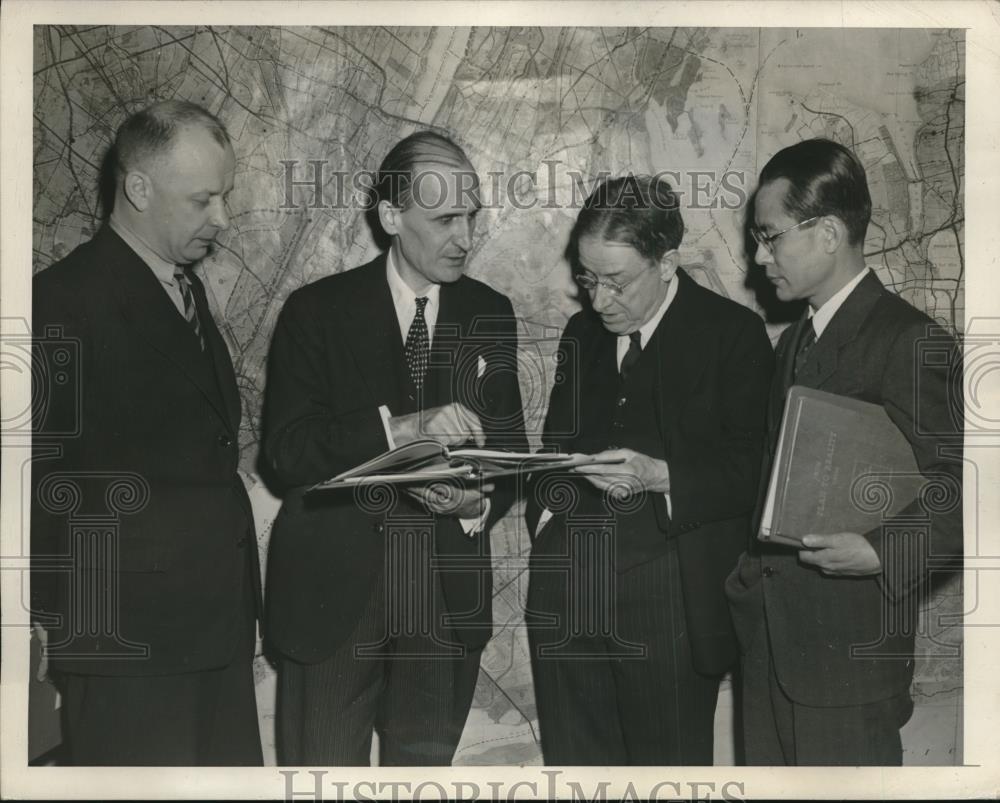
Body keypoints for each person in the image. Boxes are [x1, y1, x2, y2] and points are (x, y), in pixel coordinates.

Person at [262, 131, 528, 766]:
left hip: (442, 600)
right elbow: (288, 453)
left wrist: (474, 499)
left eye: (471, 216)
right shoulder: (315, 311)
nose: (465, 237)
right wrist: (401, 429)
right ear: (390, 217)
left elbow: (511, 452)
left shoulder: (490, 312)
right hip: (333, 600)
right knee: (322, 777)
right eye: (444, 220)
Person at [31, 100, 262, 765]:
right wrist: (55, 622)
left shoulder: (180, 288)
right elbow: (38, 479)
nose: (221, 219)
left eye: (224, 197)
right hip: (127, 650)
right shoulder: (61, 302)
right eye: (202, 200)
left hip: (211, 633)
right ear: (137, 188)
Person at [725, 138, 964, 766]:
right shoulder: (792, 343)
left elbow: (967, 488)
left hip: (848, 665)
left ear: (828, 233)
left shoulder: (909, 340)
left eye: (770, 236)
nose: (759, 256)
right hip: (772, 650)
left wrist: (880, 551)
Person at [525, 174, 774, 765]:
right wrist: (547, 523)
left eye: (615, 282)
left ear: (667, 263)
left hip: (672, 609)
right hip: (566, 596)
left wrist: (664, 476)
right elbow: (554, 449)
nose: (598, 301)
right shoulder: (581, 334)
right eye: (588, 279)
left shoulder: (732, 335)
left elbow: (758, 470)